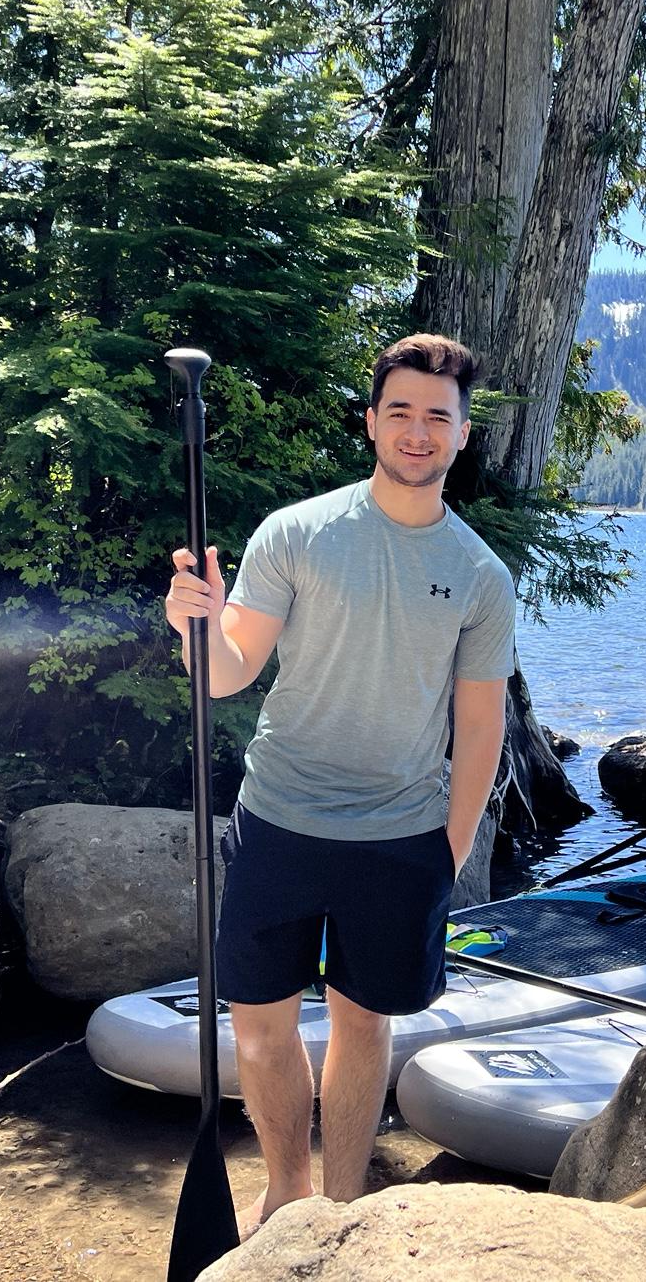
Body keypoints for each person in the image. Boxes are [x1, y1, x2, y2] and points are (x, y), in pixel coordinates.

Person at [163, 334, 515, 1232]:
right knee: (262, 1029)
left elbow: (479, 725)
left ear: (462, 436)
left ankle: (346, 1205)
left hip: (400, 840)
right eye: (399, 410)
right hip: (278, 819)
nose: (417, 429)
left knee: (363, 1026)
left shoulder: (479, 575)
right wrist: (193, 625)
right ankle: (287, 1193)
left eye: (438, 415)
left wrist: (454, 843)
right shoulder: (297, 533)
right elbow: (230, 669)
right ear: (370, 422)